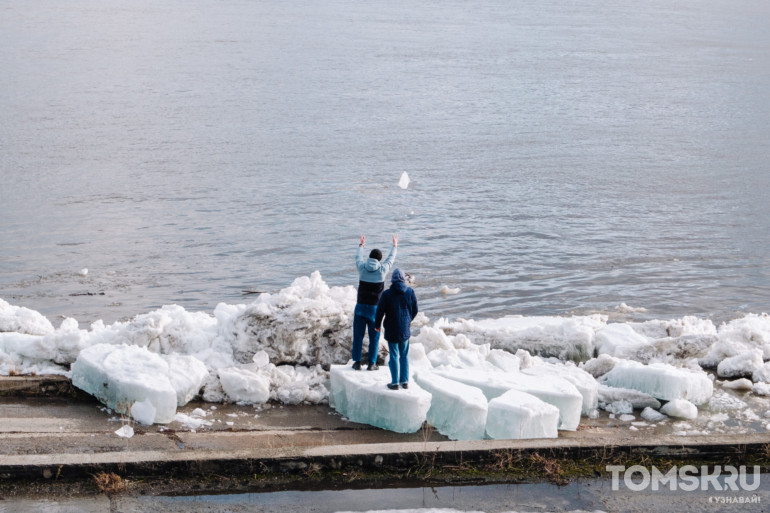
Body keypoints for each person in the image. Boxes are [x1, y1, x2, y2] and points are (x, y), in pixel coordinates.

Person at [352, 233, 398, 370]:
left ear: (370, 257)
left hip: (360, 308)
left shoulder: (362, 268)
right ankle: (372, 363)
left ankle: (357, 362)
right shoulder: (382, 270)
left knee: (358, 336)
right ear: (379, 259)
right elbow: (391, 259)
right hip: (374, 310)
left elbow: (358, 257)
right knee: (374, 337)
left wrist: (361, 245)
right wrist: (394, 246)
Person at [374, 268, 418, 390]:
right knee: (404, 355)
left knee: (393, 355)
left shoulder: (387, 294)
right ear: (404, 279)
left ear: (392, 280)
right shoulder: (410, 291)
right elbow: (415, 310)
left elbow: (379, 312)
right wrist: (408, 320)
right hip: (404, 329)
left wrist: (377, 325)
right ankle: (404, 381)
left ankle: (394, 383)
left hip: (391, 328)